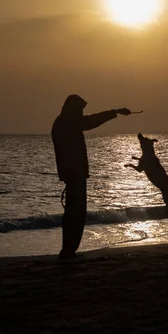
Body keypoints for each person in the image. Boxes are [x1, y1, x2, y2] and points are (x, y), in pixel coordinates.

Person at [51, 94, 131, 261]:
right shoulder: (68, 123)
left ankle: (69, 250)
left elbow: (89, 121)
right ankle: (68, 251)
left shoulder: (62, 122)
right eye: (79, 110)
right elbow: (91, 121)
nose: (81, 113)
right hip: (75, 175)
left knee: (74, 213)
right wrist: (114, 112)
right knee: (76, 214)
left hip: (72, 174)